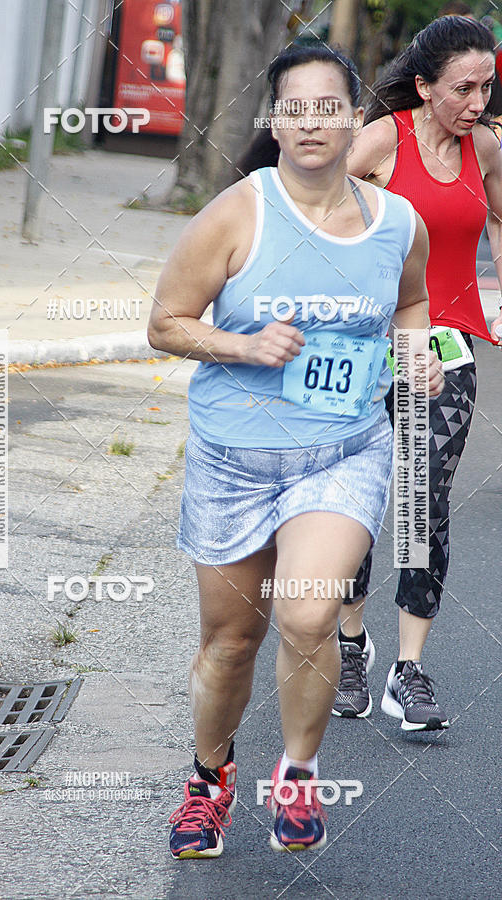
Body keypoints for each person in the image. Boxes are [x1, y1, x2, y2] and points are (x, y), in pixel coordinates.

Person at [148, 43, 443, 858]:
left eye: (328, 107)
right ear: (274, 120)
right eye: (295, 107)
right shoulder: (237, 213)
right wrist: (245, 348)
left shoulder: (397, 222)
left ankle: (300, 775)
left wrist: (416, 353)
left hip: (342, 449)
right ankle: (209, 780)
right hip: (233, 457)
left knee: (309, 611)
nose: (311, 121)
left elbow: (413, 302)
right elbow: (165, 323)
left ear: (356, 119)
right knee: (229, 642)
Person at [332, 15, 502, 730]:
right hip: (373, 343)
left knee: (423, 498)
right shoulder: (380, 141)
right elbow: (319, 220)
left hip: (450, 343)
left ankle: (408, 670)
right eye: (463, 88)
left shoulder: (487, 147)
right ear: (425, 87)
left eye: (487, 87)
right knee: (364, 498)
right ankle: (349, 646)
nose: (477, 103)